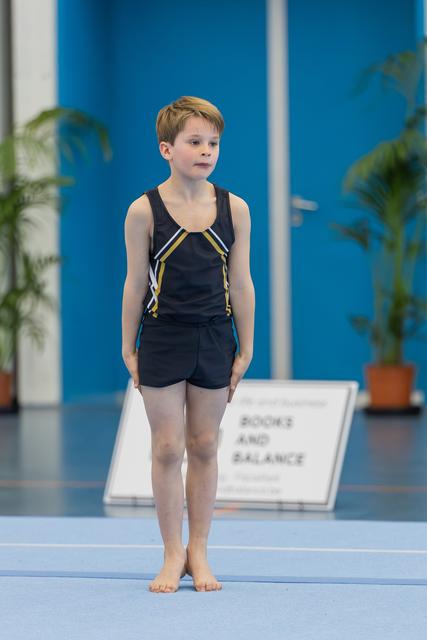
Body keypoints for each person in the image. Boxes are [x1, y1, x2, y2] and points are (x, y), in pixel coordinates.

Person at [122, 96, 255, 593]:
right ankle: (170, 551)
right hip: (162, 336)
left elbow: (241, 282)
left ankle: (199, 550)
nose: (206, 151)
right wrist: (128, 347)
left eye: (213, 143)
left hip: (215, 336)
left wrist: (245, 348)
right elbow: (135, 282)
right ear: (166, 149)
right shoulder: (143, 210)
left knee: (203, 445)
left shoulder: (234, 208)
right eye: (194, 142)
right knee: (166, 446)